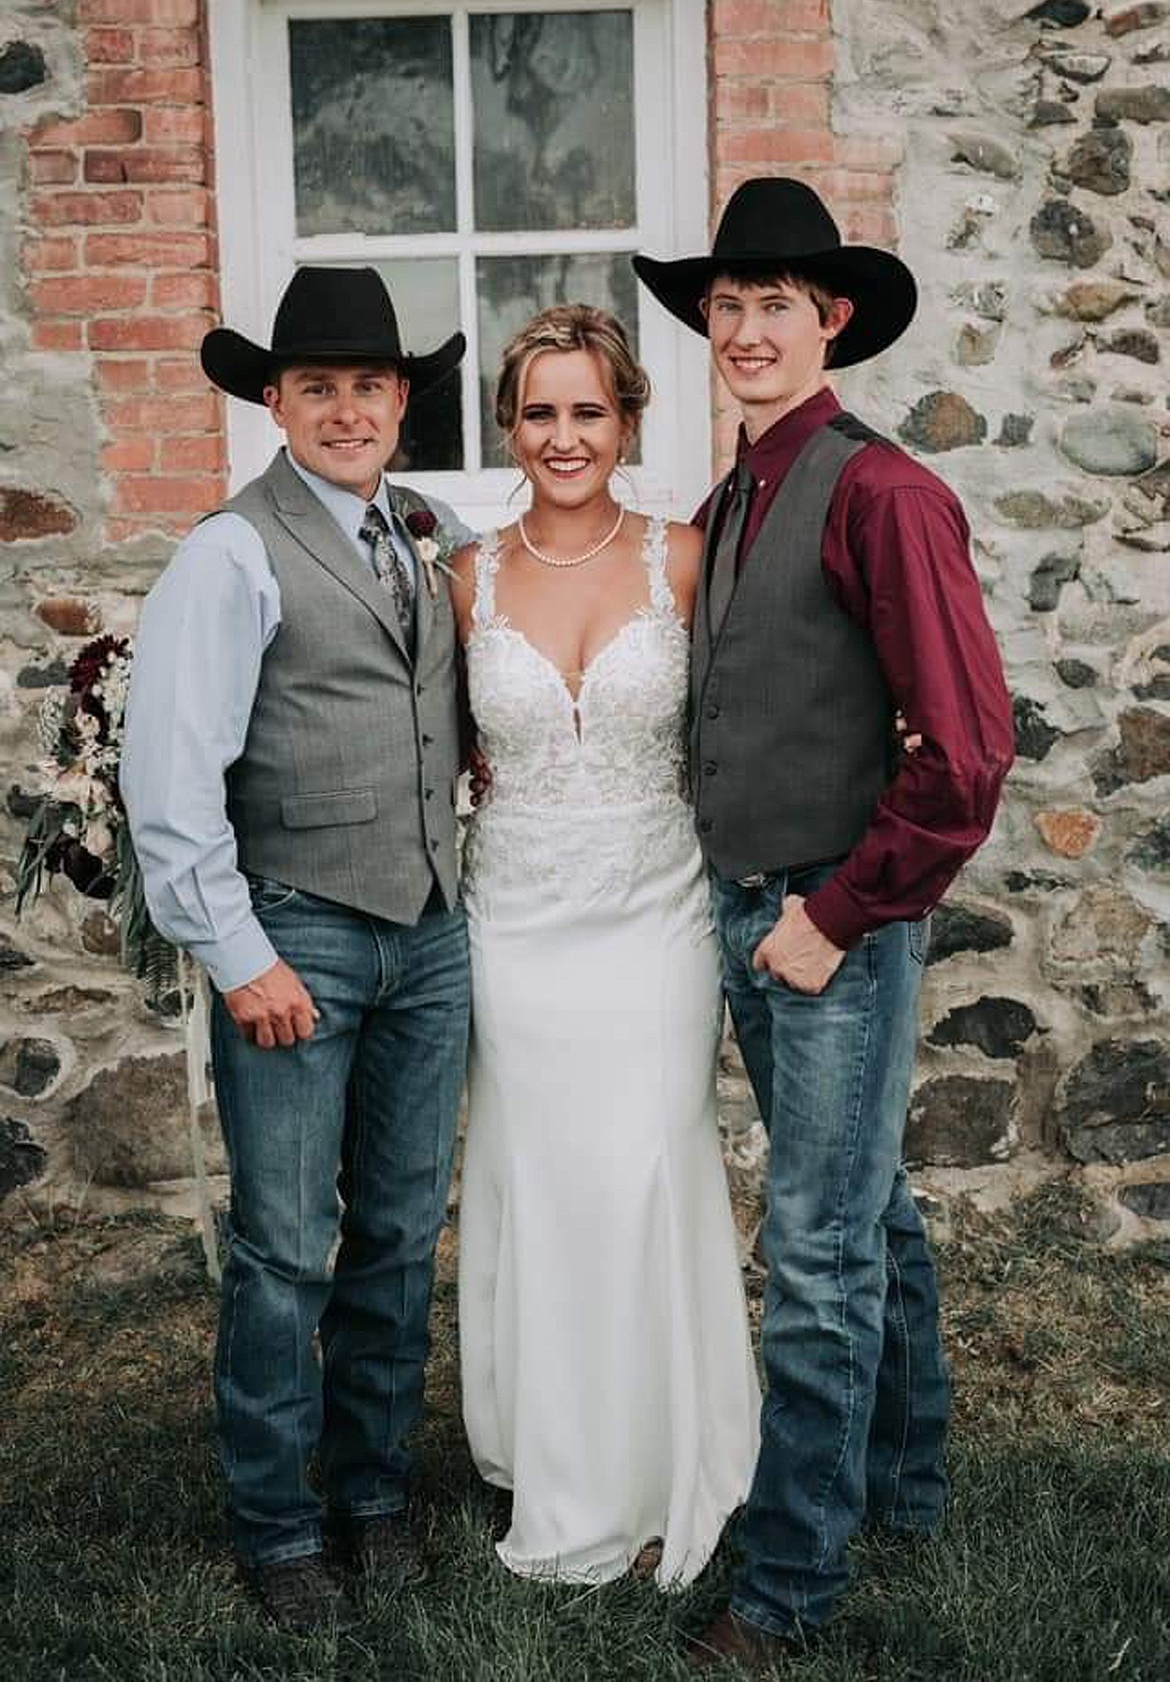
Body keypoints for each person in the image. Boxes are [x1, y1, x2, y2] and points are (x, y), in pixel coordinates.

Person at [633, 178, 1015, 1668]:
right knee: (866, 1211)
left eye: (772, 304)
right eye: (724, 306)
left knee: (814, 1248)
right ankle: (901, 1488)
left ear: (829, 319)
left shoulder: (881, 490)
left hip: (827, 928)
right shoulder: (736, 494)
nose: (743, 328)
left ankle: (787, 1586)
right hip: (744, 912)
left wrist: (836, 915)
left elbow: (965, 751)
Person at [121, 266, 472, 1632]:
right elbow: (171, 778)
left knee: (394, 1233)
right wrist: (238, 951)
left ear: (399, 401)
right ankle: (277, 1523)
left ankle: (373, 1490)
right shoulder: (229, 552)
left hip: (429, 934)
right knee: (286, 1246)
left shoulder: (421, 531)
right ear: (273, 400)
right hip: (297, 938)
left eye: (368, 385)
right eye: (317, 385)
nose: (345, 407)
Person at [451, 305, 761, 1589]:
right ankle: (563, 1464)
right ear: (509, 429)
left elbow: (755, 714)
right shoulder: (459, 578)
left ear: (628, 421)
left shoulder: (684, 561)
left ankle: (664, 1463)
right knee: (545, 1184)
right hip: (516, 925)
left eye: (589, 411)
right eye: (539, 413)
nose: (564, 436)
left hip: (653, 920)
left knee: (645, 1171)